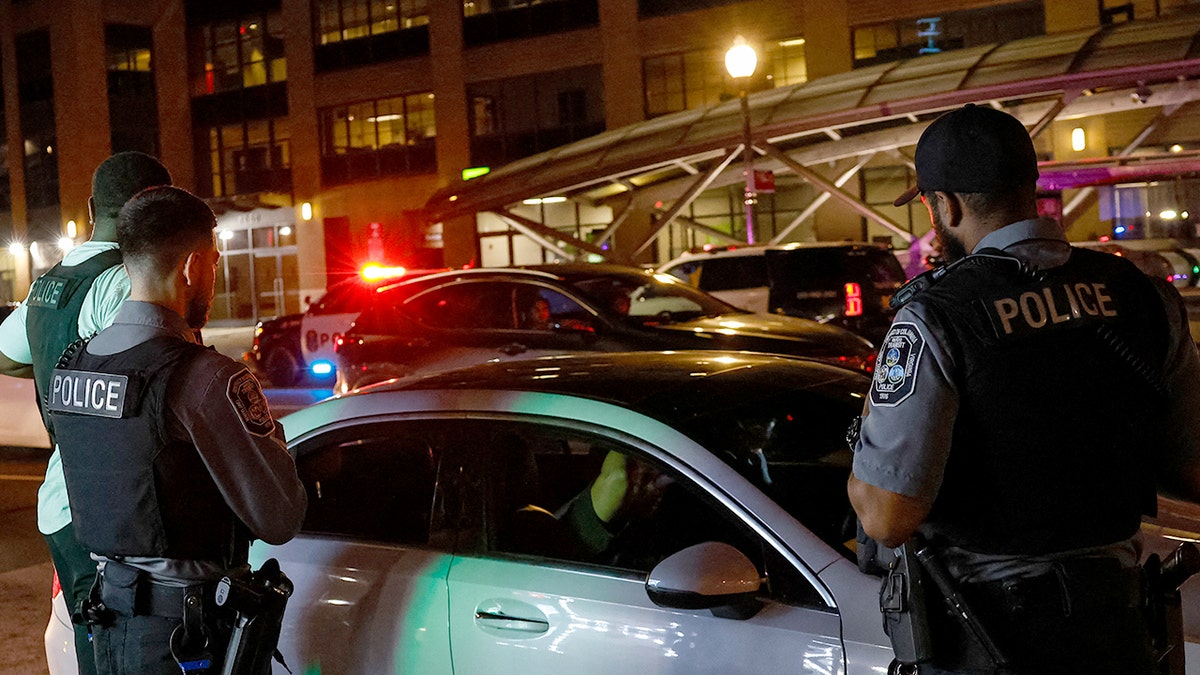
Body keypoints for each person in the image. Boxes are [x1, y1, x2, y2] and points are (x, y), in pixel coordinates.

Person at [846, 103, 1200, 674]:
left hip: (998, 637)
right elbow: (1193, 470)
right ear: (1028, 186)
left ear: (945, 205)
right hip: (1121, 625)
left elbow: (887, 517)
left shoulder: (936, 316)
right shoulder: (1143, 295)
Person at [46, 186, 307, 674]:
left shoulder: (75, 366)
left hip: (107, 628)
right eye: (213, 261)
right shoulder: (207, 379)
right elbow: (280, 517)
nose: (213, 274)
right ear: (190, 267)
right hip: (186, 638)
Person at [0, 151, 171, 675]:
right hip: (106, 504)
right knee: (114, 651)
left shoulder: (51, 281)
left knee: (92, 640)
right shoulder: (126, 279)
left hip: (61, 495)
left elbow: (8, 354)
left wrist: (57, 364)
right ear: (154, 208)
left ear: (92, 207)